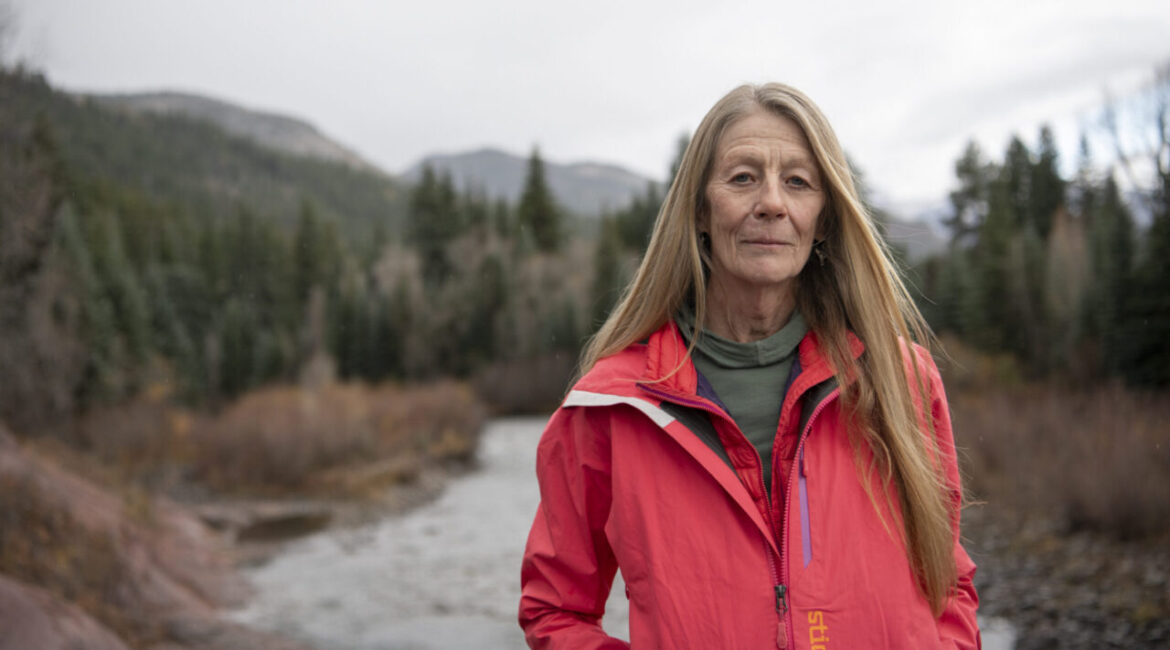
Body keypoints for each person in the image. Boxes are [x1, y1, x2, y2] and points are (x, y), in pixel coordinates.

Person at [518, 83, 980, 649]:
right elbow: (554, 610)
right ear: (701, 211)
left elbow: (949, 583)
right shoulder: (612, 405)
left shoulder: (902, 380)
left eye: (797, 182)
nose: (771, 203)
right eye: (742, 178)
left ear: (824, 219)